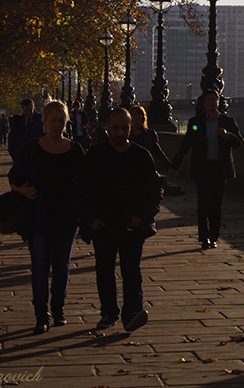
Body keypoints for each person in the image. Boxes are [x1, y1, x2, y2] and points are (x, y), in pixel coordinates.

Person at [80, 108, 162, 332]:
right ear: (107, 128)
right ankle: (109, 313)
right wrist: (91, 220)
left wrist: (142, 217)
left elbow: (155, 192)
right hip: (103, 225)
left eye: (124, 127)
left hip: (131, 225)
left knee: (131, 270)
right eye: (115, 127)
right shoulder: (96, 156)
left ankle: (133, 313)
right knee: (104, 269)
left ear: (131, 127)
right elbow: (83, 191)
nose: (120, 132)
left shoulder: (141, 156)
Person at [8, 100, 83, 334]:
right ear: (44, 121)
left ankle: (58, 308)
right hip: (39, 215)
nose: (57, 125)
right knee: (40, 266)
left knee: (61, 266)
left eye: (61, 121)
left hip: (66, 216)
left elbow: (86, 181)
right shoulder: (32, 148)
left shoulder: (75, 149)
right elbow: (14, 176)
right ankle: (41, 315)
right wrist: (20, 190)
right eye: (53, 120)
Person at [169, 89, 241, 249]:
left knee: (216, 205)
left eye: (214, 99)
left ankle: (214, 236)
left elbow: (238, 142)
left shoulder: (227, 122)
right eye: (208, 99)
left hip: (219, 169)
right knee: (203, 203)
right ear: (204, 103)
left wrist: (227, 135)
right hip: (202, 168)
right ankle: (204, 237)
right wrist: (175, 166)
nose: (211, 102)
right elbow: (186, 144)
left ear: (218, 101)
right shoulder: (196, 122)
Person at [129, 105, 184, 196]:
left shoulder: (149, 135)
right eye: (134, 114)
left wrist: (169, 167)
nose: (137, 116)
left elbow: (158, 152)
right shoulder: (126, 135)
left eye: (139, 114)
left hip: (146, 170)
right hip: (131, 170)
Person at [8, 98, 44, 162]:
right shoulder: (18, 121)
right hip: (20, 157)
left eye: (30, 110)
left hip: (37, 156)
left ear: (33, 108)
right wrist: (14, 154)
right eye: (25, 111)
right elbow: (12, 138)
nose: (28, 113)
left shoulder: (41, 120)